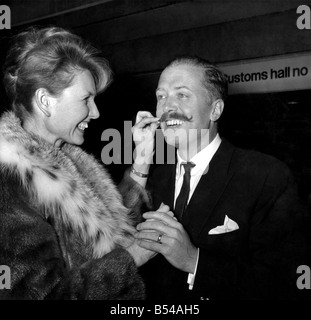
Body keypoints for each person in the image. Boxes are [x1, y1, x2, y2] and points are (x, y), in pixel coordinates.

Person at [0, 26, 159, 300]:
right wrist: (133, 257)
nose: (96, 113)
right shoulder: (12, 177)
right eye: (86, 99)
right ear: (45, 101)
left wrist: (142, 158)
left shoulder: (68, 158)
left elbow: (107, 230)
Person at [132, 55, 309, 299]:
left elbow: (284, 282)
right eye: (161, 96)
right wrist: (141, 155)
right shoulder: (153, 178)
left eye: (181, 94)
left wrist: (194, 261)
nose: (167, 107)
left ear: (215, 109)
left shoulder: (266, 176)